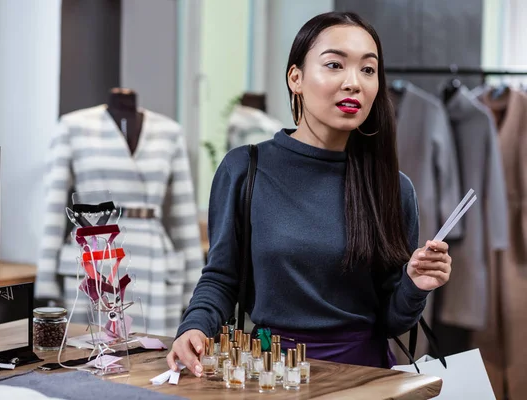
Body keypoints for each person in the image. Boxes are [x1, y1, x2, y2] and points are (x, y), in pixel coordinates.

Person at [167, 11, 453, 377]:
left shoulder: (393, 188)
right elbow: (221, 278)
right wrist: (194, 327)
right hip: (270, 374)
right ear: (296, 77)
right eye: (335, 64)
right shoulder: (245, 168)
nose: (354, 83)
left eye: (368, 70)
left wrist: (415, 285)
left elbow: (392, 321)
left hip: (363, 379)